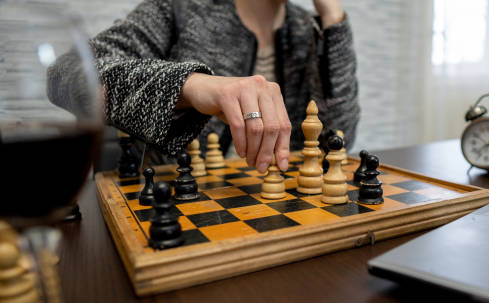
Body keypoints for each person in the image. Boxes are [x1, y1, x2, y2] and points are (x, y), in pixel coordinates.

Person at [48, 0, 359, 174]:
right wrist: (189, 86)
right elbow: (64, 75)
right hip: (181, 213)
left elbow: (338, 139)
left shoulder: (308, 27)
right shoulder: (179, 8)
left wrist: (334, 18)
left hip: (277, 213)